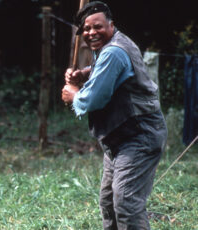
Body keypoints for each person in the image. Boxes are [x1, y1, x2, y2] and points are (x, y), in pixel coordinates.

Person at [61, 1, 167, 229]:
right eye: (86, 29)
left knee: (126, 203)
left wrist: (74, 94)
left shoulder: (113, 51)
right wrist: (85, 74)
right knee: (109, 202)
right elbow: (109, 73)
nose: (91, 33)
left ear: (111, 25)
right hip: (118, 138)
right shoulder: (110, 47)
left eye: (97, 26)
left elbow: (94, 99)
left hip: (139, 136)